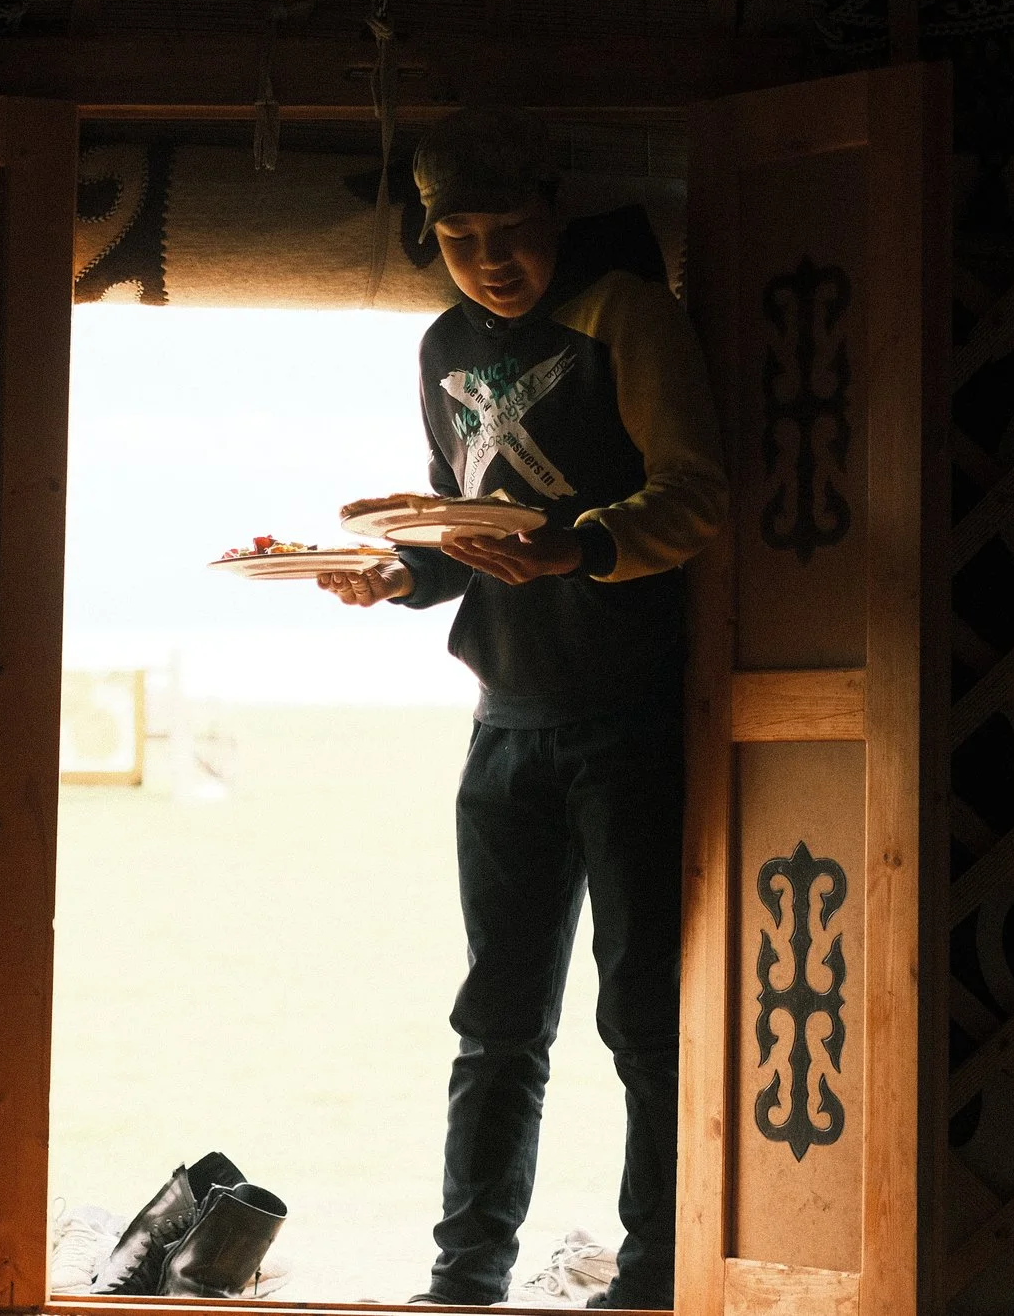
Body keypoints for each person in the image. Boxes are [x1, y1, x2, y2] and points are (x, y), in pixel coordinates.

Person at [318, 109, 726, 1308]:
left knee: (643, 1014)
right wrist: (401, 571)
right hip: (503, 720)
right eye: (457, 236)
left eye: (510, 230)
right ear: (429, 238)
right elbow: (468, 523)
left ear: (556, 211)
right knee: (495, 1017)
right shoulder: (444, 343)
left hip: (629, 711)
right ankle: (465, 1275)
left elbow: (694, 496)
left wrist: (579, 549)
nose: (490, 258)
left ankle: (654, 1277)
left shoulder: (627, 318)